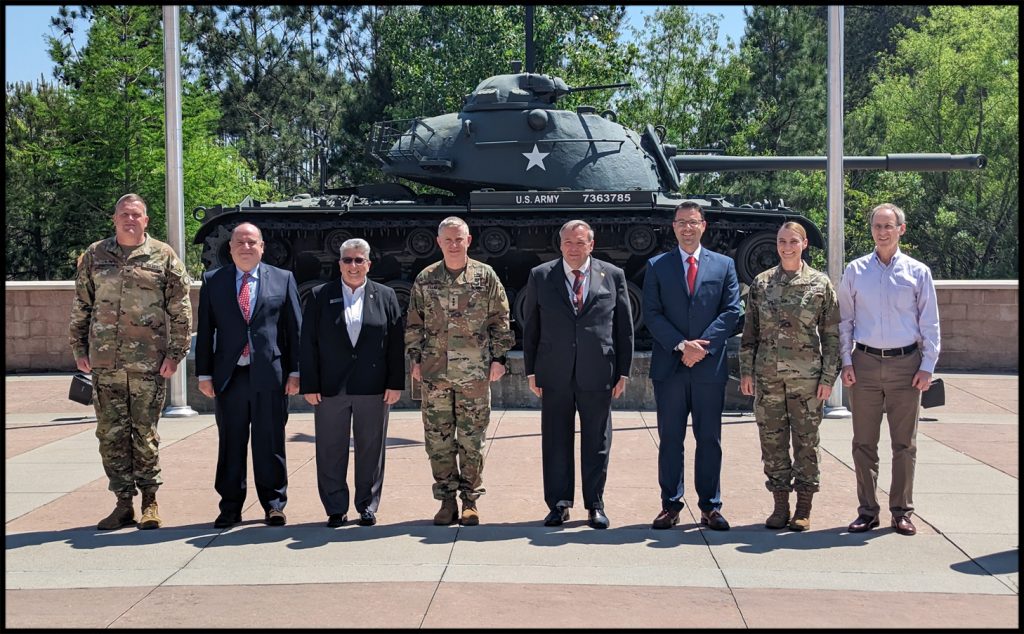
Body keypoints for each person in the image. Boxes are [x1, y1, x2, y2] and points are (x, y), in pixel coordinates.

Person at [69, 193, 193, 530]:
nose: (130, 219)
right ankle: (123, 503)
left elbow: (180, 308)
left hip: (148, 363)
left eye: (136, 214)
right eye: (124, 214)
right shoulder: (95, 255)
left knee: (145, 433)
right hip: (104, 362)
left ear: (146, 220)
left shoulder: (163, 256)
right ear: (114, 219)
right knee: (110, 434)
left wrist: (176, 353)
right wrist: (78, 348)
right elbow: (82, 305)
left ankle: (150, 501)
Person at [522, 220, 633, 530]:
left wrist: (623, 371)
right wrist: (531, 370)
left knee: (597, 440)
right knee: (556, 440)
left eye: (580, 242)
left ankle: (595, 504)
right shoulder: (541, 276)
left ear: (591, 245)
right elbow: (531, 327)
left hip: (599, 371)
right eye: (568, 242)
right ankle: (559, 504)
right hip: (554, 371)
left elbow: (623, 328)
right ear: (560, 245)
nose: (574, 248)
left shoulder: (612, 275)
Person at [839, 203, 939, 537]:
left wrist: (927, 366)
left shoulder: (917, 272)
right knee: (863, 443)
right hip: (864, 363)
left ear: (901, 229)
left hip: (906, 365)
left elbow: (930, 324)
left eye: (888, 226)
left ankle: (902, 511)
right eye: (877, 226)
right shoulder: (855, 270)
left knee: (904, 444)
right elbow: (845, 321)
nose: (882, 232)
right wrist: (847, 361)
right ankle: (867, 511)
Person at [405, 216, 513, 526]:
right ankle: (446, 501)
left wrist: (499, 358)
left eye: (459, 238)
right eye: (448, 239)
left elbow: (500, 320)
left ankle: (470, 501)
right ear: (439, 242)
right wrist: (414, 359)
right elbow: (414, 323)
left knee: (471, 440)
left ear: (469, 240)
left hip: (474, 375)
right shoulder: (425, 279)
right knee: (437, 440)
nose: (453, 244)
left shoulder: (485, 276)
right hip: (435, 374)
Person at [195, 222, 302, 528]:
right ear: (230, 248)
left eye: (251, 242)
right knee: (231, 443)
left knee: (270, 442)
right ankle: (230, 507)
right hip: (230, 376)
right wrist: (204, 374)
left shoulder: (283, 279)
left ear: (262, 247)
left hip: (270, 375)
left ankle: (273, 503)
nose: (245, 247)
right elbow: (206, 331)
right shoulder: (214, 280)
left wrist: (296, 372)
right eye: (239, 242)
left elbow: (294, 331)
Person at [642, 201, 741, 531]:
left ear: (703, 226)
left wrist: (701, 347)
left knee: (709, 439)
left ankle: (710, 506)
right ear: (673, 227)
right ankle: (670, 505)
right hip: (670, 367)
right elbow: (651, 314)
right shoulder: (657, 266)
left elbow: (731, 311)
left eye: (693, 222)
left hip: (707, 368)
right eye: (681, 222)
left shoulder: (724, 265)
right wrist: (682, 345)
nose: (687, 228)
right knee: (670, 440)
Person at [739, 222, 840, 531]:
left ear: (804, 243)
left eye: (793, 241)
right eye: (782, 241)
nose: (786, 247)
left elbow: (833, 335)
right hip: (768, 377)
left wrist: (827, 378)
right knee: (772, 441)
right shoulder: (762, 283)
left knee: (807, 441)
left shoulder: (819, 284)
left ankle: (804, 507)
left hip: (807, 379)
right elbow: (749, 334)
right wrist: (746, 371)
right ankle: (780, 504)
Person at [300, 239, 404, 528]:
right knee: (330, 448)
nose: (353, 266)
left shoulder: (385, 295)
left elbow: (395, 343)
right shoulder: (321, 295)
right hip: (331, 387)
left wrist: (395, 382)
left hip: (373, 386)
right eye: (348, 260)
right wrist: (310, 384)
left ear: (369, 264)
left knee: (371, 448)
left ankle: (366, 506)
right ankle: (335, 507)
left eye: (359, 260)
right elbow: (307, 342)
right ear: (339, 264)